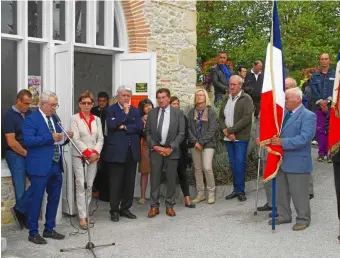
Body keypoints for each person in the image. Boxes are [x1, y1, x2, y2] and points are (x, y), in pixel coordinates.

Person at [22, 91, 73, 244]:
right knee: (36, 199)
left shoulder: (55, 119)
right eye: (52, 105)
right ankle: (33, 232)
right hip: (39, 165)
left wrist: (66, 138)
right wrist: (49, 137)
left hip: (55, 164)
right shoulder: (31, 119)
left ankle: (49, 229)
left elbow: (57, 141)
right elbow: (28, 141)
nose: (54, 108)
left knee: (55, 198)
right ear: (43, 104)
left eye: (55, 105)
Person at [269, 87, 316, 231]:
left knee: (299, 192)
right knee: (281, 190)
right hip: (282, 160)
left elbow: (304, 138)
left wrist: (283, 142)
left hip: (298, 160)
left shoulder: (308, 116)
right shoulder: (284, 115)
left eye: (287, 98)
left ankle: (303, 219)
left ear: (298, 99)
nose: (285, 101)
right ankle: (284, 215)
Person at [104, 86, 143, 222]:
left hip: (131, 152)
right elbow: (112, 125)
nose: (126, 98)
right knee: (115, 183)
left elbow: (139, 127)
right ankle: (114, 210)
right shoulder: (110, 110)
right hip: (116, 152)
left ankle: (125, 208)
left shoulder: (136, 111)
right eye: (123, 95)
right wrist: (125, 115)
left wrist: (125, 126)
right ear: (118, 96)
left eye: (128, 95)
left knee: (129, 182)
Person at [146, 88, 185, 218]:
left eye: (163, 97)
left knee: (171, 180)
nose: (161, 100)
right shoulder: (152, 113)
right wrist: (156, 147)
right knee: (155, 179)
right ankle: (154, 206)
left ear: (169, 98)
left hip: (171, 151)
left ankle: (169, 206)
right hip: (156, 150)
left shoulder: (178, 113)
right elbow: (148, 133)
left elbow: (181, 133)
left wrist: (171, 148)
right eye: (159, 98)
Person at [71, 91, 104, 229]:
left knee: (89, 186)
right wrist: (87, 152)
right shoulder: (74, 118)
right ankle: (82, 217)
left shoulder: (96, 119)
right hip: (80, 157)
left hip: (93, 157)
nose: (86, 105)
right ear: (79, 104)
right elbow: (76, 138)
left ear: (92, 104)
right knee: (80, 185)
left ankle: (86, 213)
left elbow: (100, 138)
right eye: (83, 103)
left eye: (89, 103)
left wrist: (95, 152)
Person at [219, 75, 254, 202]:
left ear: (240, 85)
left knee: (239, 164)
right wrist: (226, 132)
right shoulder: (226, 98)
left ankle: (241, 191)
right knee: (233, 164)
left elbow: (246, 119)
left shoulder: (246, 99)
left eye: (234, 84)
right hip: (229, 137)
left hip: (240, 138)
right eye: (230, 84)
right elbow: (221, 117)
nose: (231, 87)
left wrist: (230, 131)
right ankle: (236, 189)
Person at [3, 90, 32, 229]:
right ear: (18, 101)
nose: (27, 106)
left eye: (29, 104)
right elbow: (11, 142)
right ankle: (23, 217)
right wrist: (26, 153)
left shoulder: (29, 114)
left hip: (29, 153)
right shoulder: (9, 116)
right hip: (15, 155)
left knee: (38, 181)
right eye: (25, 103)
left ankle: (19, 209)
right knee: (20, 187)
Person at [187, 89, 218, 204]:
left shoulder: (211, 112)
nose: (199, 97)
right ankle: (200, 194)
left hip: (208, 144)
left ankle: (211, 193)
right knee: (197, 169)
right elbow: (188, 129)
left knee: (207, 167)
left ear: (205, 97)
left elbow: (212, 129)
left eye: (201, 95)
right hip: (194, 144)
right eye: (197, 95)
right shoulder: (191, 112)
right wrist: (195, 142)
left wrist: (201, 142)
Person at [170, 96, 195, 208]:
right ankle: (170, 199)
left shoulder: (183, 117)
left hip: (181, 150)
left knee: (182, 174)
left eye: (177, 103)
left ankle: (187, 199)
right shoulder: (166, 117)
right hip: (169, 150)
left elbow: (184, 133)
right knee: (170, 175)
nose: (176, 105)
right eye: (174, 103)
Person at [310, 53, 335, 163]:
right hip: (318, 106)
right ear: (319, 61)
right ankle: (321, 153)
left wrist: (328, 102)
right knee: (320, 130)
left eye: (326, 59)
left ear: (329, 60)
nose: (324, 61)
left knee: (331, 129)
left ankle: (331, 153)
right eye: (322, 59)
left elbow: (336, 89)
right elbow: (313, 90)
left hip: (332, 106)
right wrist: (321, 103)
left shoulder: (336, 74)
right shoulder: (314, 76)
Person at [91, 92, 110, 201]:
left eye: (104, 101)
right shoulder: (93, 111)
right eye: (100, 101)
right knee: (96, 167)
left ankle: (104, 193)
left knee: (105, 167)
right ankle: (95, 188)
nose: (102, 103)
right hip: (94, 142)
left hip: (107, 142)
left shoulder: (110, 111)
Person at [137, 98, 154, 204]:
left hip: (157, 145)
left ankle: (154, 196)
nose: (148, 108)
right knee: (144, 172)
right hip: (146, 146)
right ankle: (143, 196)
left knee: (155, 172)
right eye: (146, 106)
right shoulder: (140, 119)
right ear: (142, 109)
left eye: (149, 105)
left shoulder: (158, 116)